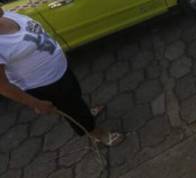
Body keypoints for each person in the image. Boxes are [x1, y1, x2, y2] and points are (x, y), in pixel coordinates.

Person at [0, 8, 123, 146]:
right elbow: (3, 87)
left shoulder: (6, 14)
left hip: (60, 70)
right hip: (46, 85)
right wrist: (36, 103)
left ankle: (85, 112)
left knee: (75, 98)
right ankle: (96, 134)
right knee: (74, 112)